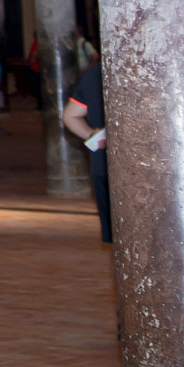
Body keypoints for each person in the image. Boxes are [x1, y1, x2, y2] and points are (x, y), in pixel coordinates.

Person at [62, 59, 112, 244]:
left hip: (104, 168)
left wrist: (93, 134)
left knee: (120, 239)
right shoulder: (141, 67)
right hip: (142, 171)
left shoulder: (95, 73)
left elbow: (70, 115)